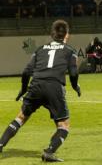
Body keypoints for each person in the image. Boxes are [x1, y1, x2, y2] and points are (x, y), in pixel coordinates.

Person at [0, 20, 81, 162]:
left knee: (21, 117)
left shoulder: (40, 49)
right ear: (66, 35)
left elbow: (26, 71)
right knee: (64, 125)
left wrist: (23, 89)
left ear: (52, 34)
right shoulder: (70, 51)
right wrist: (75, 87)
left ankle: (0, 144)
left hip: (35, 86)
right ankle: (49, 152)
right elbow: (73, 73)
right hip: (54, 87)